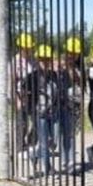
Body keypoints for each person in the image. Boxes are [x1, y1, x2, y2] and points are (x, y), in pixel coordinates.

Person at [26, 45, 60, 175]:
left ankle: (34, 155)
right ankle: (48, 168)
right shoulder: (32, 76)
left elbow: (58, 92)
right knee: (45, 142)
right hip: (39, 114)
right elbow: (24, 91)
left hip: (54, 112)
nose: (45, 62)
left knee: (54, 141)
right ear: (37, 60)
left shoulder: (54, 75)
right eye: (42, 59)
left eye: (47, 59)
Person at [58, 37, 85, 173]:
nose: (73, 55)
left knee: (73, 133)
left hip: (77, 103)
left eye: (76, 53)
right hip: (65, 103)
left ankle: (68, 161)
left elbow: (81, 83)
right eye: (71, 52)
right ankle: (68, 162)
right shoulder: (61, 64)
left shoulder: (79, 65)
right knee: (67, 134)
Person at [13, 33, 37, 155]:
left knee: (38, 121)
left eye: (30, 47)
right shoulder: (15, 62)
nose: (28, 50)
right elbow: (11, 82)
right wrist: (16, 99)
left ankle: (31, 143)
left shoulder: (34, 61)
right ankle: (20, 147)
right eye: (26, 47)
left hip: (33, 96)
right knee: (22, 123)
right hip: (20, 96)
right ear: (20, 47)